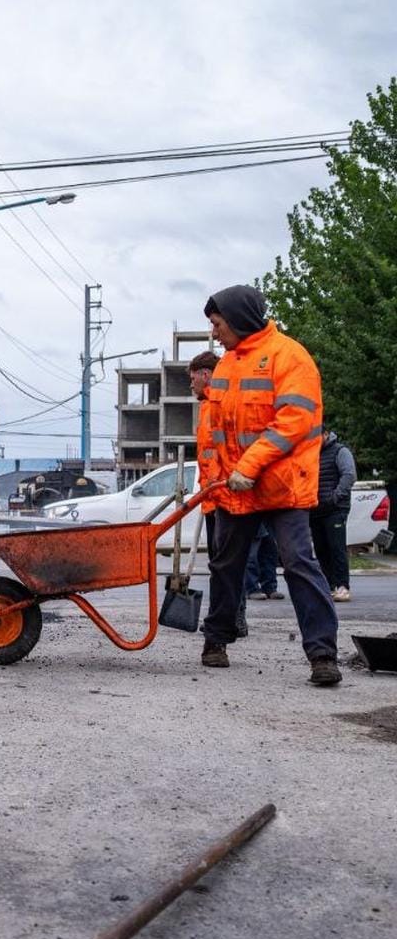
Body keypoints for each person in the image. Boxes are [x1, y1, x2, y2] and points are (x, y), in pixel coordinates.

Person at [199, 284, 341, 686]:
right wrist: (214, 482)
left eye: (217, 323)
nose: (214, 332)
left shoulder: (290, 357)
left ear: (239, 318)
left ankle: (322, 654)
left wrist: (250, 465)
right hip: (235, 487)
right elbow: (215, 432)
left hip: (280, 486)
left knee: (298, 562)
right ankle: (217, 639)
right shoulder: (227, 365)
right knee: (226, 564)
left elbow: (293, 421)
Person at [189, 350, 247, 638]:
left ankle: (234, 619)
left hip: (223, 496)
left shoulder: (219, 404)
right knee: (220, 563)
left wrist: (216, 488)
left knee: (227, 564)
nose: (191, 385)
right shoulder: (205, 406)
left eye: (193, 379)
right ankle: (228, 617)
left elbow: (224, 454)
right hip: (212, 497)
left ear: (206, 375)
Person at [310, 430, 357, 602]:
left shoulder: (340, 451)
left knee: (337, 547)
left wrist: (335, 497)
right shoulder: (310, 453)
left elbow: (349, 475)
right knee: (321, 549)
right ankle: (328, 585)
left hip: (335, 509)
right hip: (315, 508)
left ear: (326, 434)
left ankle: (342, 586)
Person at [245, 524, 284, 600]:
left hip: (267, 515)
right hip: (252, 515)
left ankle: (269, 587)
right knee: (252, 552)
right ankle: (251, 589)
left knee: (269, 549)